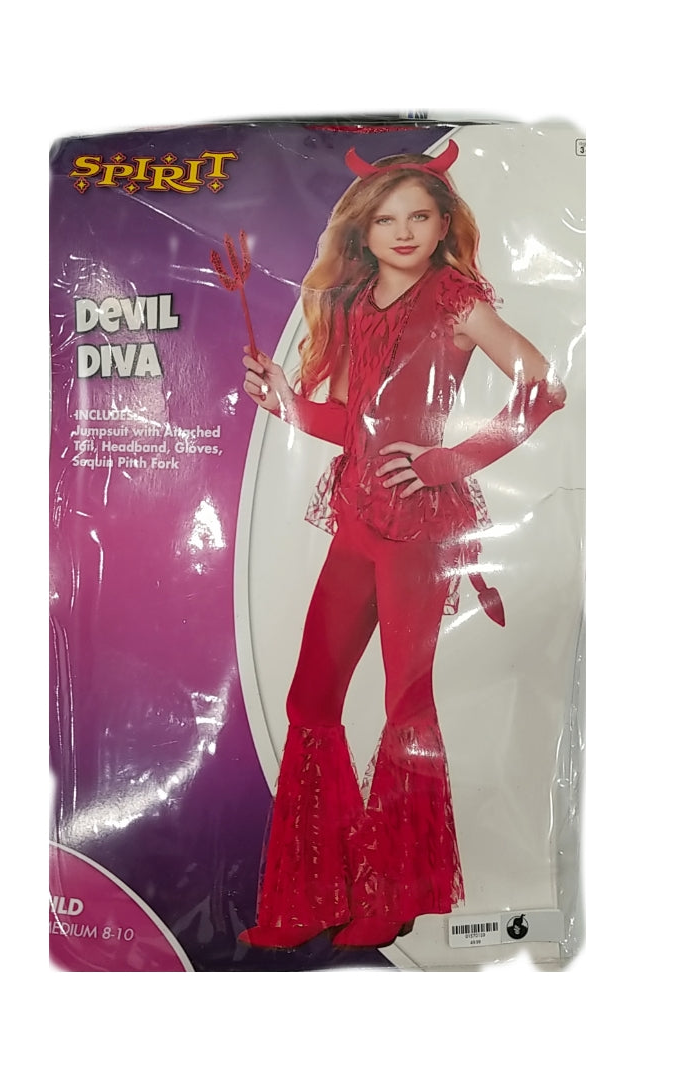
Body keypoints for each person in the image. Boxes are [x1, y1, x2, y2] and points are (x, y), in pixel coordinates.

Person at [238, 142, 566, 950]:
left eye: (419, 215)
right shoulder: (353, 303)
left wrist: (448, 460)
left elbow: (544, 384)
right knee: (310, 701)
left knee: (403, 704)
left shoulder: (456, 300)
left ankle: (399, 892)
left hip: (418, 527)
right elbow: (355, 428)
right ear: (363, 230)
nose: (404, 232)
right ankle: (316, 893)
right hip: (356, 516)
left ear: (443, 221)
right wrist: (286, 405)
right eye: (386, 219)